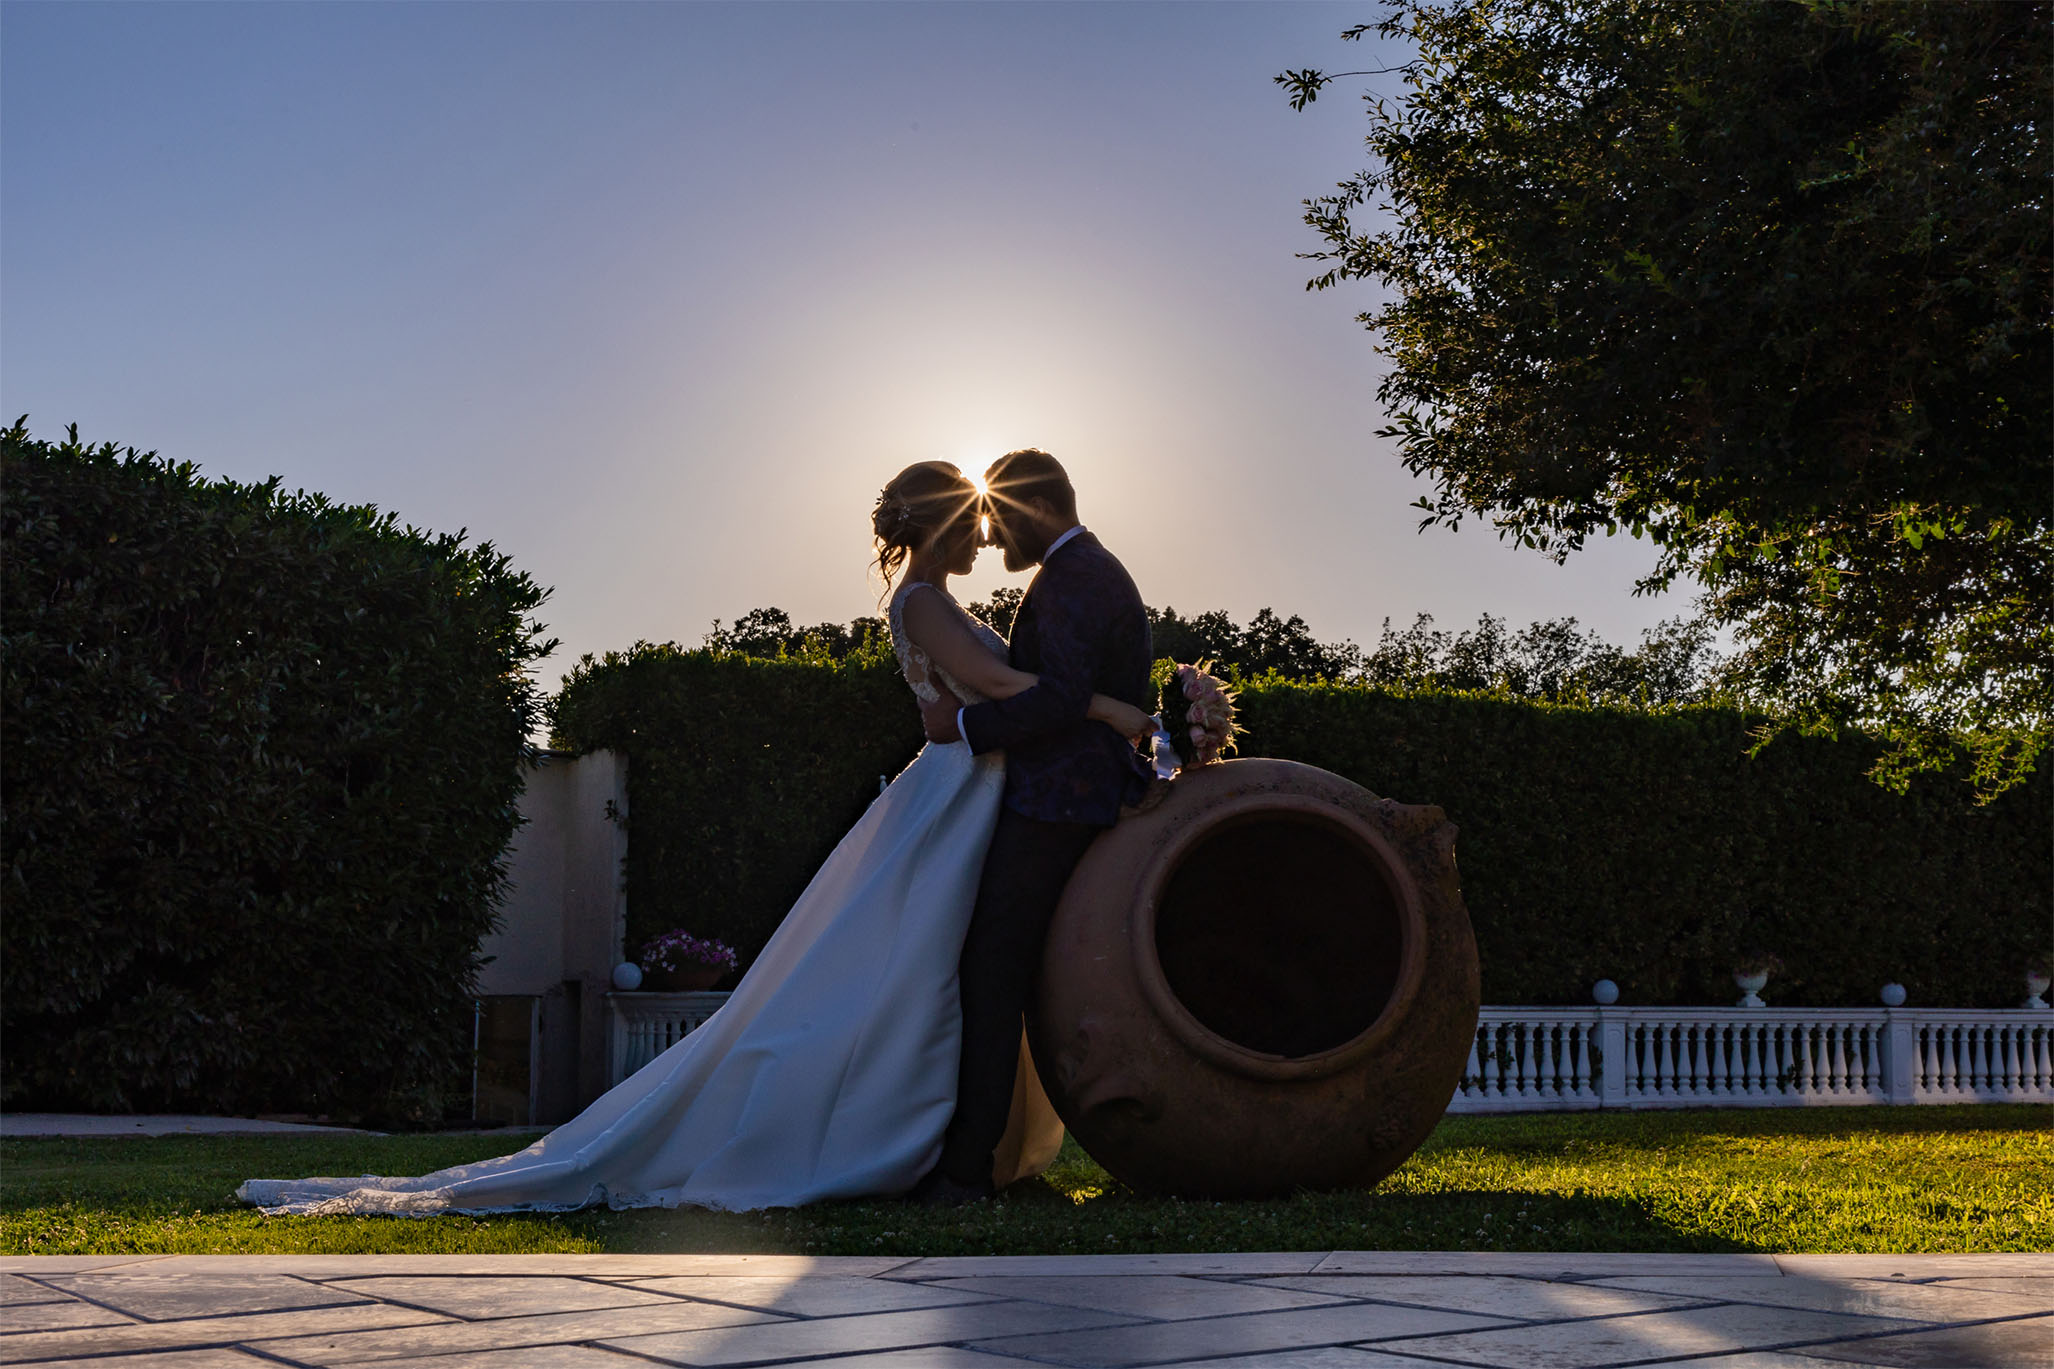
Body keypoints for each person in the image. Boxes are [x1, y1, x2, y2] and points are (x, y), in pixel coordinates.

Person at [237, 459, 1153, 1215]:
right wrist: (1116, 709)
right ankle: (908, 1142)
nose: (984, 536)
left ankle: (960, 1149)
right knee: (915, 973)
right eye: (972, 521)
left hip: (974, 795)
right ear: (941, 526)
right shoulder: (922, 605)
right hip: (954, 790)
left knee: (938, 972)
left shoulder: (939, 599)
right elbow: (998, 696)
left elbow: (1015, 691)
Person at [908, 447, 1156, 1205]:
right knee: (993, 973)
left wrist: (958, 726)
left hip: (1060, 803)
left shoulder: (1078, 578)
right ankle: (975, 1159)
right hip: (1049, 796)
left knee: (993, 973)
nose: (990, 538)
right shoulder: (1079, 571)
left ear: (1031, 511)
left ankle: (967, 1170)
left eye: (997, 518)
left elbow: (1058, 699)